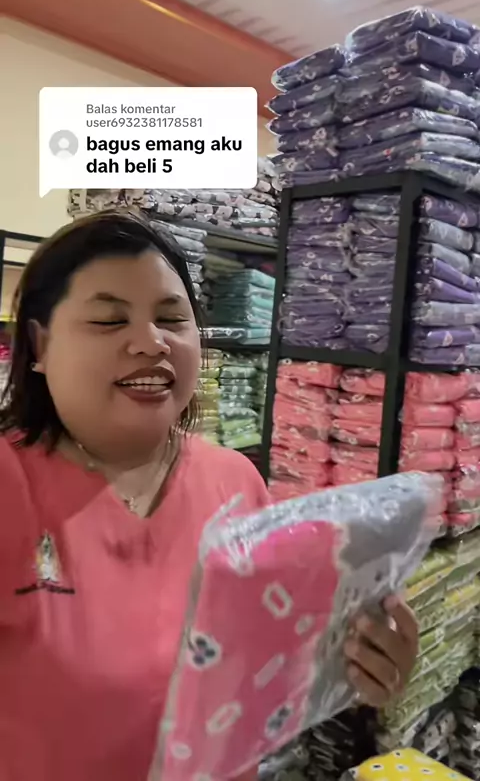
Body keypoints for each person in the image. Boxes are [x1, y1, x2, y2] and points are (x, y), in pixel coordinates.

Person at [0, 211, 418, 781]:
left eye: (173, 318)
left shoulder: (235, 481)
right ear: (39, 345)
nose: (151, 342)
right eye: (108, 320)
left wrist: (356, 663)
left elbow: (266, 671)